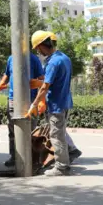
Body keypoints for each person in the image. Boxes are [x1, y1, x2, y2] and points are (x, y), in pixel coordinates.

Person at [28, 30, 75, 176]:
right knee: (59, 133)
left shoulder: (53, 62)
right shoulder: (64, 58)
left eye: (37, 48)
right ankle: (70, 153)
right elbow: (56, 80)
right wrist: (40, 82)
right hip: (64, 101)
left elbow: (45, 87)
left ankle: (61, 167)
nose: (38, 51)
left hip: (56, 104)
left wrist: (34, 104)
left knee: (56, 136)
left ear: (43, 45)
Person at [0, 51, 44, 167]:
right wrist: (0, 85)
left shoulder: (34, 59)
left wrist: (41, 100)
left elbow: (42, 79)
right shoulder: (11, 58)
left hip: (30, 100)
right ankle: (14, 157)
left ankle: (31, 159)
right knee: (13, 130)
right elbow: (7, 74)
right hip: (13, 99)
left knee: (30, 130)